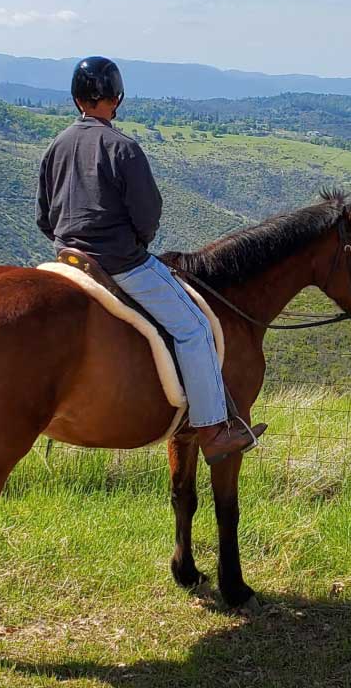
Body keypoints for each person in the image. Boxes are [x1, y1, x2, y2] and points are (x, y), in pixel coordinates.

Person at [37, 56, 259, 462]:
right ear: (117, 98)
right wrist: (134, 243)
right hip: (119, 263)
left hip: (66, 259)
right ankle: (212, 431)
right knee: (194, 328)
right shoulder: (123, 147)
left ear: (75, 99)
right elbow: (147, 215)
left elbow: (43, 215)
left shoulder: (56, 145)